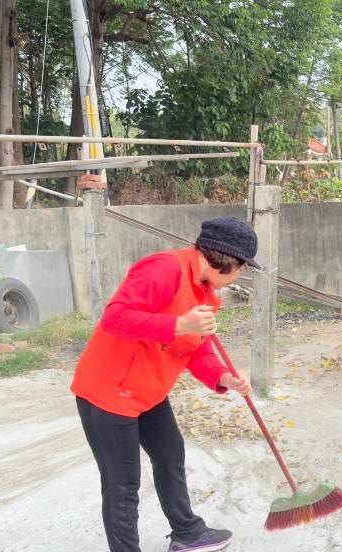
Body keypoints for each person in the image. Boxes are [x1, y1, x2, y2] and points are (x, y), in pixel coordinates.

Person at [71, 217, 258, 552]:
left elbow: (196, 348)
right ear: (229, 260)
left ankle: (187, 533)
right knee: (122, 485)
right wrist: (177, 323)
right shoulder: (165, 270)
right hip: (109, 394)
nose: (239, 276)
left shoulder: (205, 294)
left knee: (170, 455)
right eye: (242, 268)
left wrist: (223, 377)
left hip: (149, 392)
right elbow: (115, 317)